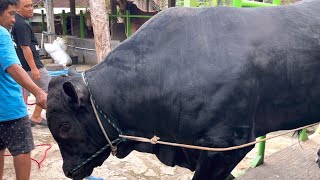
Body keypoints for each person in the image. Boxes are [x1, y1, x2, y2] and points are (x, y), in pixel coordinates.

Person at [0, 0, 47, 179]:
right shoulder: (2, 34)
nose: (13, 19)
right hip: (9, 108)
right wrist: (38, 91)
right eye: (10, 14)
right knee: (22, 149)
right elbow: (13, 67)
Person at [12, 0, 51, 126]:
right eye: (26, 6)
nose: (30, 9)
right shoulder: (22, 24)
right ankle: (35, 117)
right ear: (17, 8)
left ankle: (28, 117)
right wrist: (34, 68)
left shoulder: (16, 22)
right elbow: (25, 47)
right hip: (31, 65)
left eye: (31, 6)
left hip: (22, 65)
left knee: (24, 92)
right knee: (49, 87)